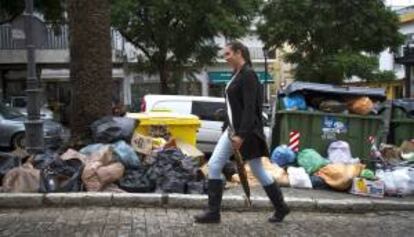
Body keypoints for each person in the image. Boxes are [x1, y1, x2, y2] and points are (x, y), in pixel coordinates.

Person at [194, 41, 290, 224]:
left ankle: (281, 207)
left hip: (246, 132)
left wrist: (241, 134)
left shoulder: (249, 75)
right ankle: (213, 213)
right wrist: (228, 127)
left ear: (239, 53)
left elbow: (249, 109)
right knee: (214, 165)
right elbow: (233, 107)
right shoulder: (236, 74)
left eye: (228, 54)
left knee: (257, 170)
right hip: (232, 131)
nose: (226, 58)